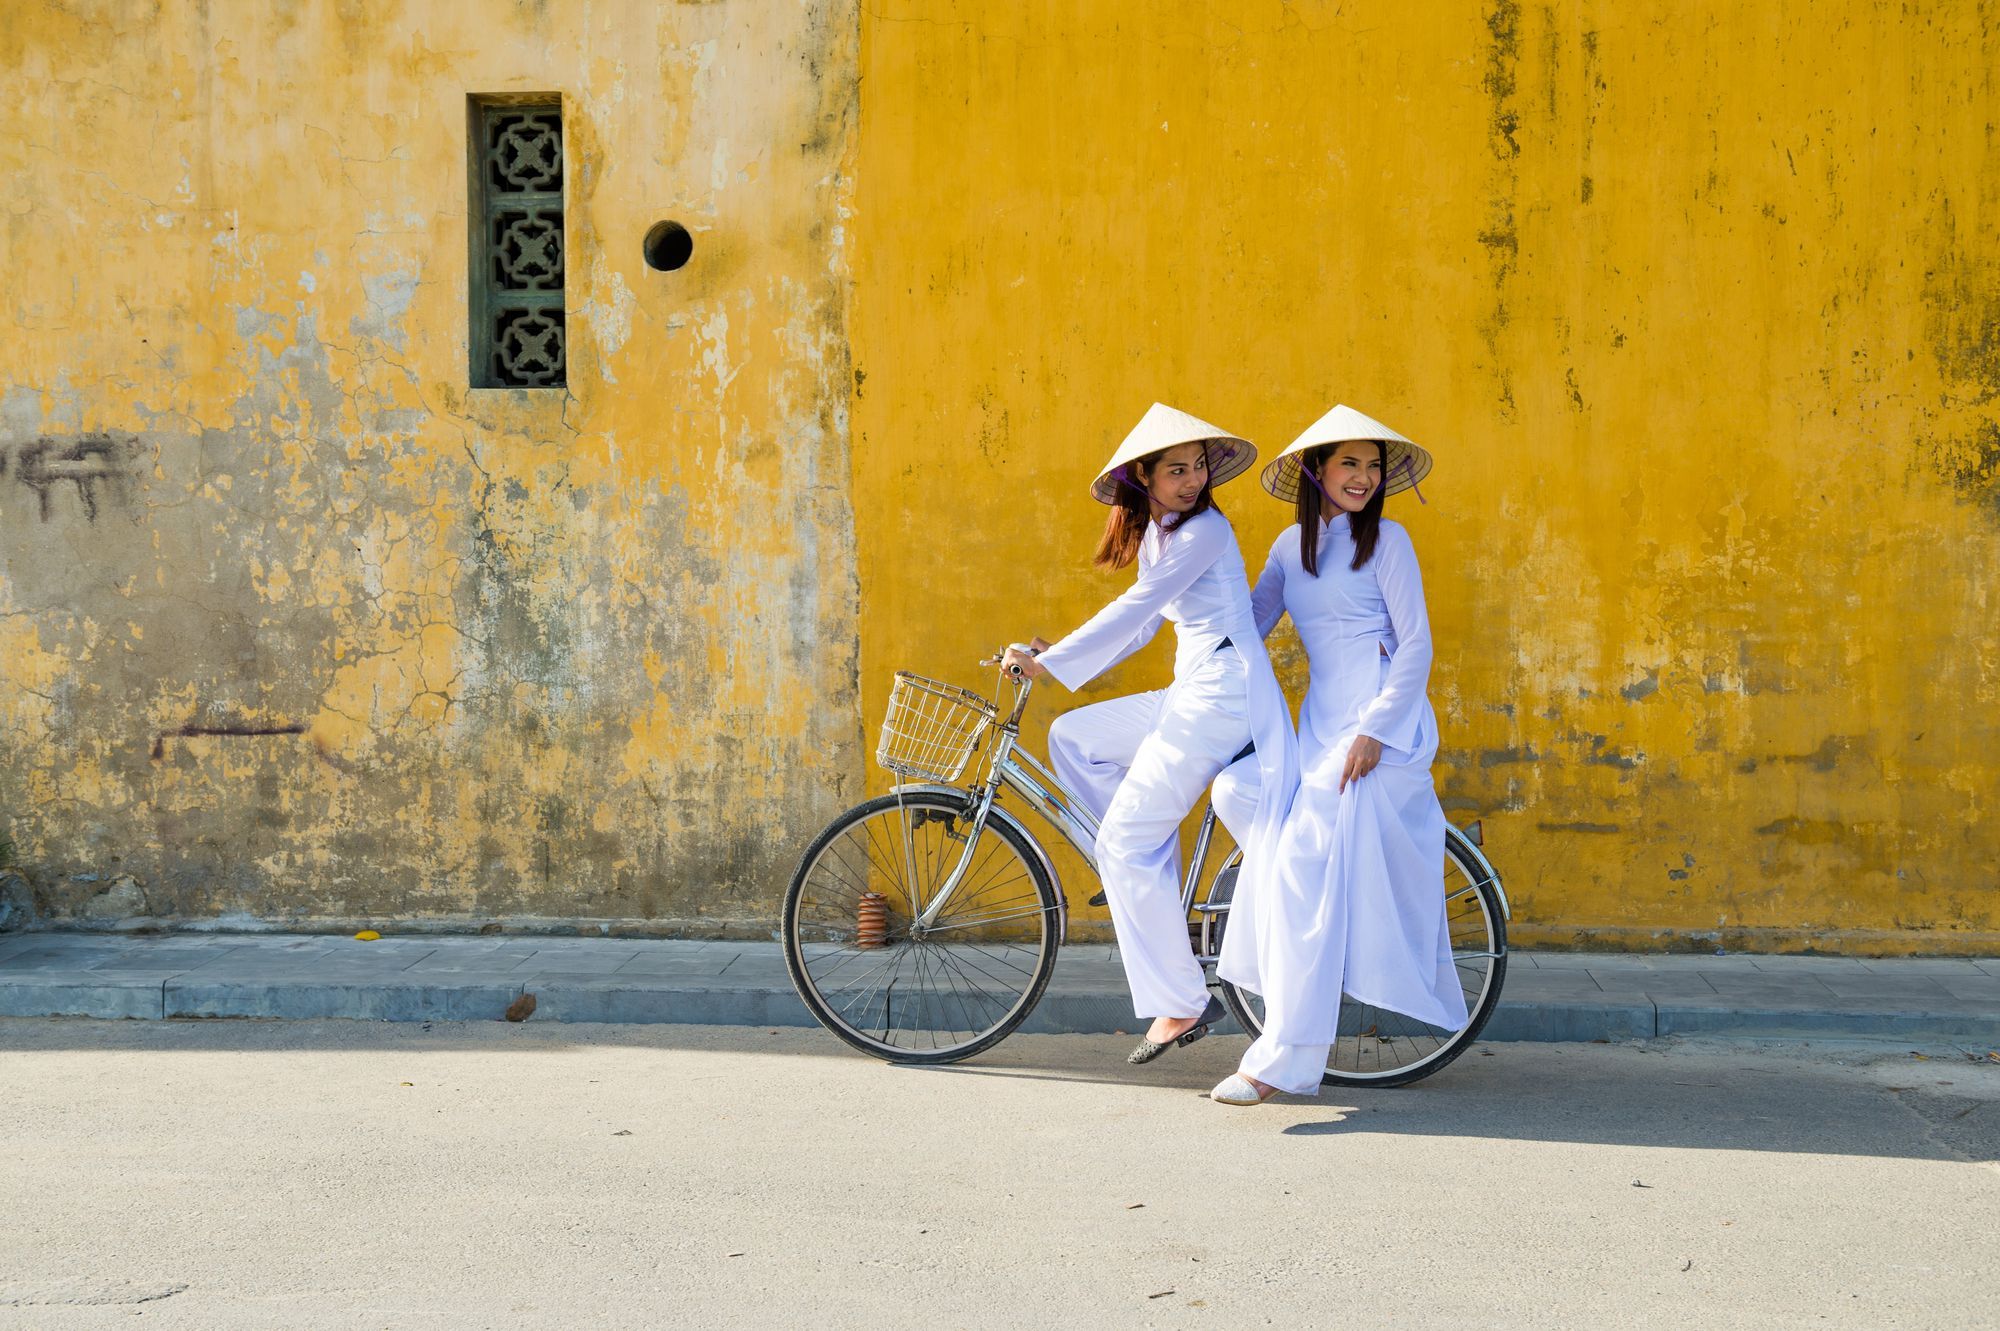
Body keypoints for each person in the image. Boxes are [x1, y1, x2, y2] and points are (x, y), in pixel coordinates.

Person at [1002, 403, 1297, 1066]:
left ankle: (1182, 999)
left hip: (1223, 695)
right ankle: (1139, 868)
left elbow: (1134, 606)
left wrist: (1050, 663)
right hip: (1191, 689)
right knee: (1074, 738)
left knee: (1126, 843)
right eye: (1176, 471)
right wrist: (1058, 654)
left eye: (1197, 467)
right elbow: (1143, 624)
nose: (1192, 481)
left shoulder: (1206, 531)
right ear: (1145, 478)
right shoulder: (1160, 536)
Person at [1208, 404, 1468, 1105]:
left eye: (1372, 464)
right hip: (1318, 729)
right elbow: (1247, 626)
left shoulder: (1389, 541)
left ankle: (1282, 1060)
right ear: (1315, 470)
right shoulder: (1289, 549)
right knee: (1236, 792)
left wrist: (1376, 730)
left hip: (1380, 727)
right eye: (1349, 462)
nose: (1363, 476)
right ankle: (1310, 940)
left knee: (1300, 856)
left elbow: (1416, 645)